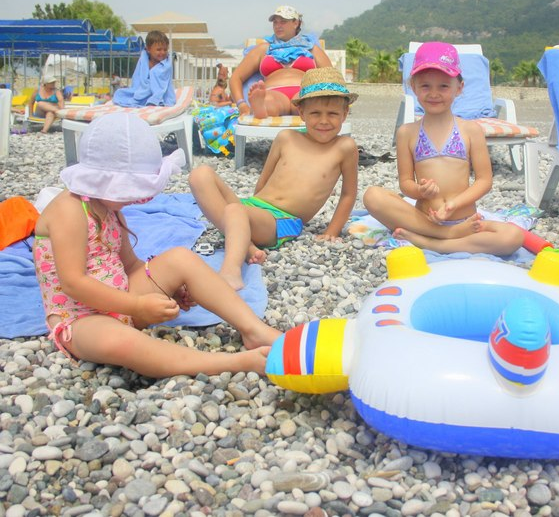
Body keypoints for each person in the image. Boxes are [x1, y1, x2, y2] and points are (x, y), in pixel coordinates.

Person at [33, 112, 280, 378]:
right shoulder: (69, 210)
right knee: (122, 343)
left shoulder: (110, 208)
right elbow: (73, 283)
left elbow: (131, 265)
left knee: (181, 258)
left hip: (124, 296)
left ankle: (254, 330)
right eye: (129, 191)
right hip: (81, 317)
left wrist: (168, 288)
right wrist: (137, 306)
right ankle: (232, 362)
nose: (135, 199)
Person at [189, 67, 359, 290]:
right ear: (301, 112)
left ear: (345, 114)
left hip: (283, 220)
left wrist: (331, 231)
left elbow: (348, 194)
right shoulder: (286, 137)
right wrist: (249, 212)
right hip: (256, 207)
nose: (324, 121)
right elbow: (264, 181)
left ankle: (231, 270)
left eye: (333, 114)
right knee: (200, 175)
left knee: (233, 211)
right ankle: (246, 241)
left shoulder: (344, 147)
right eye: (315, 113)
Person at [362, 42, 524, 256]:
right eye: (425, 86)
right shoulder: (407, 132)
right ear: (413, 87)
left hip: (465, 221)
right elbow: (406, 183)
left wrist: (453, 204)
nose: (434, 93)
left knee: (514, 236)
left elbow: (484, 181)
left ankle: (434, 244)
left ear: (459, 88)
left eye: (443, 86)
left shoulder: (471, 130)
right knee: (372, 195)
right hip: (425, 220)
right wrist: (420, 191)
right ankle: (445, 235)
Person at [229, 6, 332, 119]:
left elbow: (331, 77)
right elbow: (236, 77)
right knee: (270, 101)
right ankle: (261, 106)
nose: (278, 26)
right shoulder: (263, 49)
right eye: (275, 22)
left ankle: (263, 106)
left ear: (296, 23)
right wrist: (242, 104)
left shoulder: (311, 49)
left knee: (307, 101)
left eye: (283, 22)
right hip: (273, 91)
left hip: (304, 91)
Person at [113, 30, 176, 107]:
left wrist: (155, 95)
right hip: (141, 91)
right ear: (148, 49)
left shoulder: (166, 65)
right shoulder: (143, 60)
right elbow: (137, 78)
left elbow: (162, 85)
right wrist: (140, 91)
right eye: (159, 49)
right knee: (119, 93)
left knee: (159, 99)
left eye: (165, 49)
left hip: (161, 94)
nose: (162, 52)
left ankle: (154, 100)